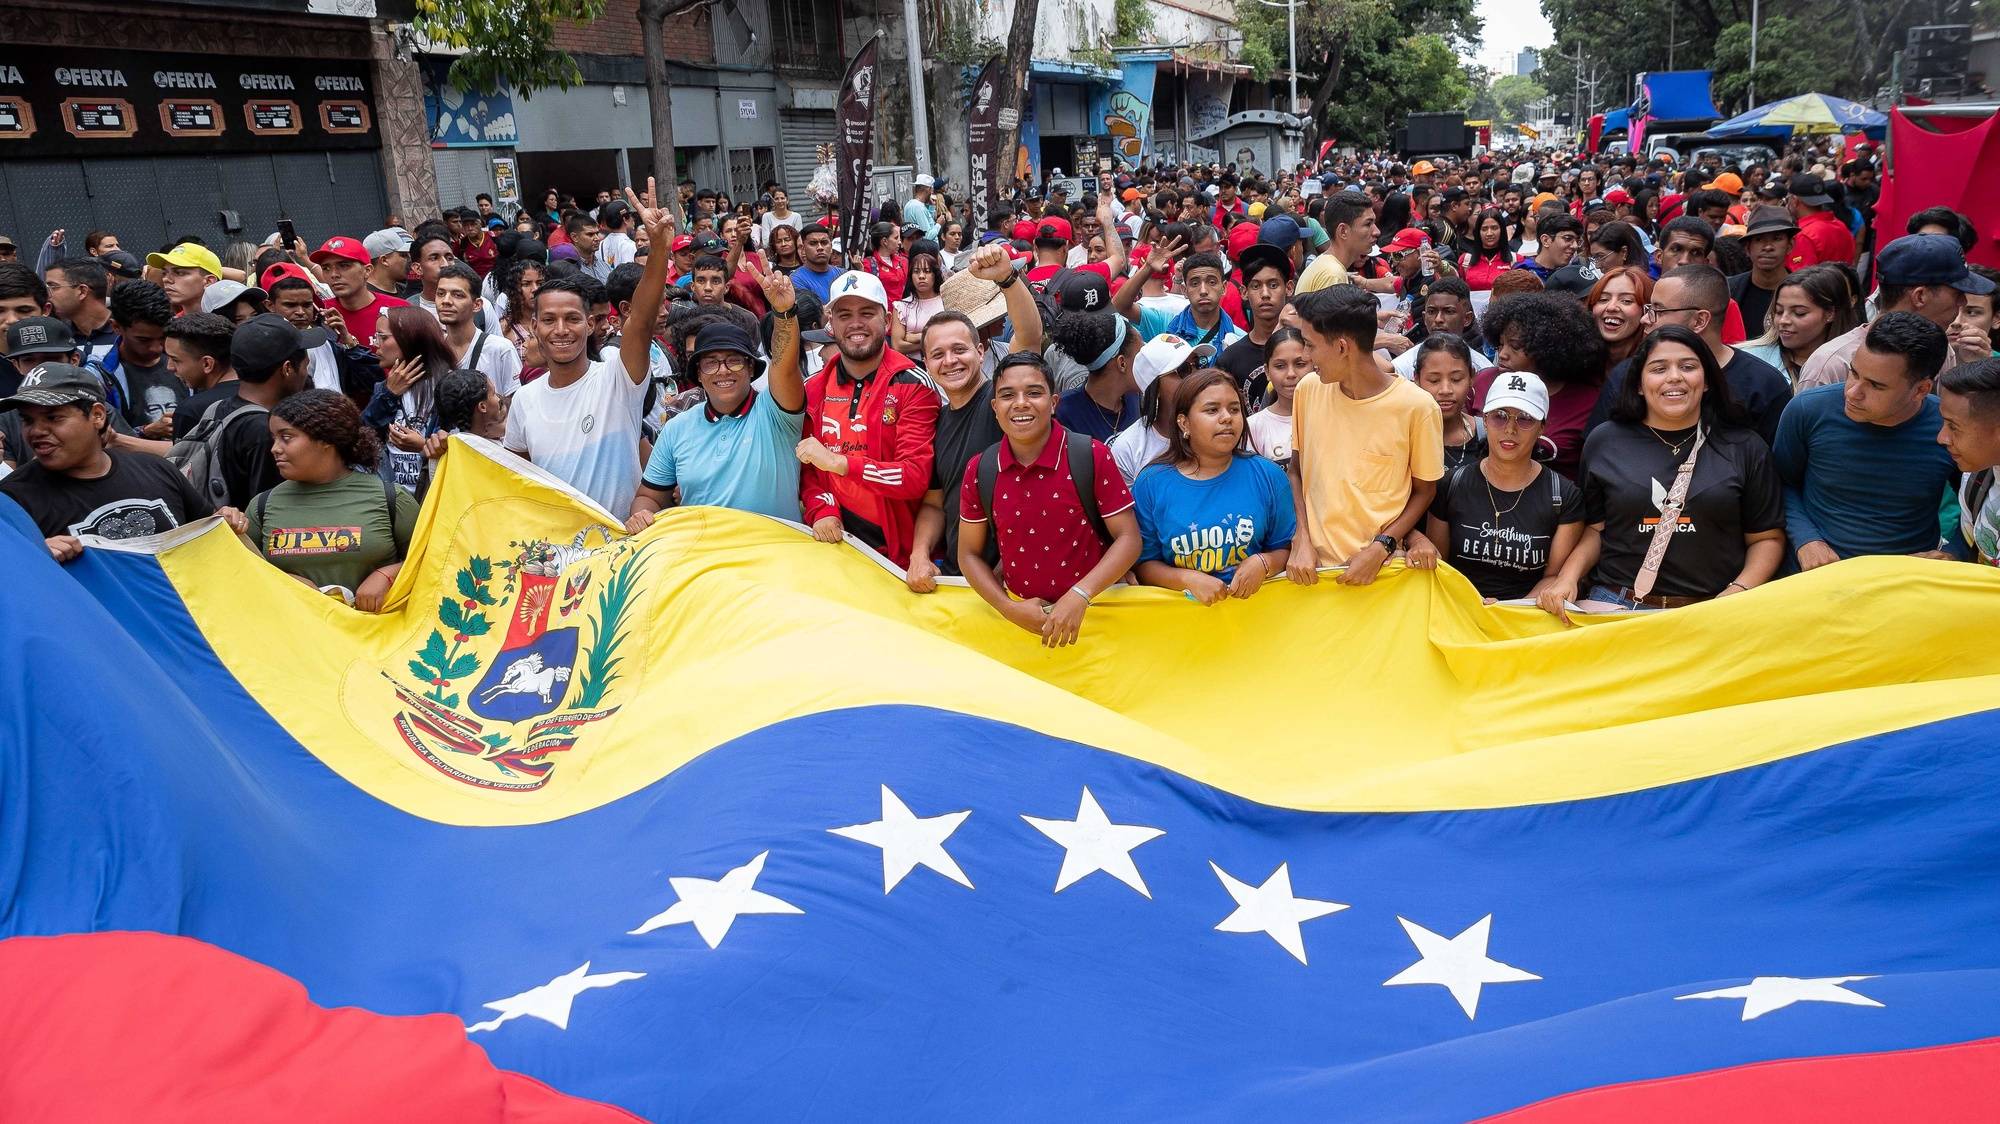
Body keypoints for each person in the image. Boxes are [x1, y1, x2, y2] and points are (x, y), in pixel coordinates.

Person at [1542, 325, 1785, 616]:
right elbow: (1595, 529)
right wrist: (1567, 578)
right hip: (1616, 607)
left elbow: (1766, 538)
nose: (1674, 377)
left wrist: (1735, 594)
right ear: (1639, 384)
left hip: (1711, 610)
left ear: (1706, 379)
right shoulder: (1605, 441)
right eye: (1658, 368)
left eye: (1688, 366)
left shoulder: (1745, 446)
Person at [505, 181, 675, 518]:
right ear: (534, 327)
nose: (561, 330)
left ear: (591, 323)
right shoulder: (524, 401)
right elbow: (517, 483)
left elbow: (640, 319)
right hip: (563, 557)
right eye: (549, 320)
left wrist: (658, 250)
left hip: (626, 549)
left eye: (572, 318)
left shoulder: (617, 379)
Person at [956, 352, 1140, 647]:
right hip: (1023, 628)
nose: (1021, 403)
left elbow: (1129, 539)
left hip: (1097, 621)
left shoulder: (1090, 455)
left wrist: (1080, 595)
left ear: (1054, 403)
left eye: (1034, 392)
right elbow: (967, 555)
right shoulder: (981, 469)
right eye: (1007, 395)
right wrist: (1009, 609)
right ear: (995, 407)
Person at [1285, 284, 1443, 587]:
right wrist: (1301, 538)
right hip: (1312, 574)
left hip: (1382, 575)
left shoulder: (1418, 407)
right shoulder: (1308, 390)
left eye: (1310, 345)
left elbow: (1425, 491)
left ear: (1343, 347)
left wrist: (1381, 546)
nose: (1305, 356)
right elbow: (1296, 470)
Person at [904, 246, 1043, 592]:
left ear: (980, 352)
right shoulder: (937, 422)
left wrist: (1007, 279)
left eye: (960, 349)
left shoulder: (1003, 401)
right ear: (927, 365)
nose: (950, 360)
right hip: (960, 581)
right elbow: (936, 504)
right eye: (938, 354)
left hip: (1020, 580)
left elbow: (1028, 338)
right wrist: (919, 555)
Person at [0, 363, 242, 560]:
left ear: (97, 415)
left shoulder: (156, 469)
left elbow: (208, 534)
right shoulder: (12, 500)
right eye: (27, 421)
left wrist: (228, 520)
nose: (37, 431)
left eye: (53, 418)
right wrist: (34, 558)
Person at [628, 261, 805, 528]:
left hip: (775, 560)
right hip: (704, 561)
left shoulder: (777, 413)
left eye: (734, 360)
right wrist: (642, 514)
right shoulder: (676, 429)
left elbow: (785, 367)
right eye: (711, 363)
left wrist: (783, 313)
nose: (723, 371)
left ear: (750, 367)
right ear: (698, 373)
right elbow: (649, 497)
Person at [1773, 312, 1958, 567]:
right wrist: (1806, 540)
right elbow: (1779, 483)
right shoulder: (1808, 410)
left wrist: (1953, 552)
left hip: (1906, 578)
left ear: (1921, 389)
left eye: (1876, 386)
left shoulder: (1948, 426)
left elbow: (1978, 504)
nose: (1853, 392)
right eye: (1854, 373)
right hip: (1815, 573)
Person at [795, 269, 941, 567]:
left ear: (887, 321)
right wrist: (823, 509)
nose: (856, 324)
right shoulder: (813, 388)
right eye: (844, 315)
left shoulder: (911, 383)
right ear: (831, 325)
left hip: (902, 557)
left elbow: (914, 477)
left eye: (867, 313)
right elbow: (810, 472)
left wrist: (841, 463)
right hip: (838, 549)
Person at [1410, 370, 1583, 602]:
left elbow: (1552, 577)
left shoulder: (1562, 495)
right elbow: (1441, 564)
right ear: (1484, 419)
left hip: (1522, 620)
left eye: (1525, 418)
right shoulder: (1452, 485)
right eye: (1500, 416)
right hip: (1457, 609)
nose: (1510, 429)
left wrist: (1507, 612)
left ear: (1542, 427)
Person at [245, 388, 417, 611]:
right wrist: (282, 581)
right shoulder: (262, 505)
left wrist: (388, 575)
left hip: (378, 637)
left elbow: (432, 559)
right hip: (293, 640)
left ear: (325, 439)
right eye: (274, 438)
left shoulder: (391, 498)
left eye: (286, 437)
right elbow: (241, 572)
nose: (275, 449)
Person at [1132, 369, 1295, 602]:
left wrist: (1264, 562)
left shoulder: (1268, 475)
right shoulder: (1151, 484)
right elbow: (1145, 564)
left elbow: (1287, 548)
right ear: (1184, 423)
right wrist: (1187, 579)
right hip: (1182, 624)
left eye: (1234, 409)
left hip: (1258, 619)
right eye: (1212, 410)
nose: (1226, 417)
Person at [1593, 265, 1789, 447]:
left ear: (1699, 321)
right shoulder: (1627, 375)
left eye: (1657, 311)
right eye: (1648, 309)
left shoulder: (1763, 385)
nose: (1645, 319)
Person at [1797, 234, 1994, 390]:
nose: (1963, 302)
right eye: (1957, 293)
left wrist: (1972, 372)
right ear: (1920, 296)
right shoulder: (1832, 364)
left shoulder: (1944, 352)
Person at [1476, 292, 1606, 480]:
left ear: (1547, 347)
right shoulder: (1483, 382)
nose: (1502, 354)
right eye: (1501, 344)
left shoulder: (1588, 401)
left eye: (1515, 345)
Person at [364, 307, 457, 494]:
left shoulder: (450, 386)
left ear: (410, 339)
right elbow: (364, 434)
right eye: (376, 337)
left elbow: (463, 448)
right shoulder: (384, 387)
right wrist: (388, 394)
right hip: (393, 498)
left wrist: (424, 445)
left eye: (383, 337)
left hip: (435, 494)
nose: (376, 345)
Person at [1738, 266, 1861, 385]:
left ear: (1830, 313)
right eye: (1779, 311)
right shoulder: (1746, 360)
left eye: (1799, 313)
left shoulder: (1857, 365)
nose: (1783, 320)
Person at [95, 280, 187, 440]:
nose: (156, 348)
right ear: (116, 327)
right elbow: (98, 437)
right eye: (144, 340)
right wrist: (145, 431)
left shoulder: (189, 361)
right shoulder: (100, 375)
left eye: (162, 338)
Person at [1109, 335, 1202, 482]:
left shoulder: (1218, 426)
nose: (1197, 376)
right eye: (1183, 370)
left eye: (1198, 364)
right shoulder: (1127, 448)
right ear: (1155, 389)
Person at [1937, 358, 2000, 565]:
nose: (1941, 438)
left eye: (1953, 427)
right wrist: (1951, 556)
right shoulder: (1977, 477)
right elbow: (1968, 540)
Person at [433, 262, 521, 402]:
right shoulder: (433, 352)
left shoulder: (500, 349)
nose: (446, 301)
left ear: (477, 305)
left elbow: (516, 406)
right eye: (441, 294)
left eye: (457, 295)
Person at [1050, 310, 1143, 441]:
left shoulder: (1134, 397)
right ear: (1122, 363)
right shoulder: (1063, 412)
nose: (1146, 362)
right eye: (1140, 355)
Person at [312, 236, 408, 351]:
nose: (334, 274)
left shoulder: (399, 310)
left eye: (344, 266)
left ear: (367, 271)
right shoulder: (320, 313)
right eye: (326, 268)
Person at [1412, 334, 1484, 471]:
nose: (1445, 390)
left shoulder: (1487, 435)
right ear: (1417, 380)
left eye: (1456, 379)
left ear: (1471, 377)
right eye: (1434, 380)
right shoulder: (1404, 437)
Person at [1730, 207, 1797, 337]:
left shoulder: (1805, 293)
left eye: (1777, 239)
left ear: (1790, 245)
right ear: (1748, 248)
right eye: (1759, 239)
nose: (1768, 247)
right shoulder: (1728, 290)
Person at [1247, 327, 1309, 464]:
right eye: (1280, 366)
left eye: (1300, 364)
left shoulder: (1332, 414)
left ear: (1314, 365)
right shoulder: (1254, 427)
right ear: (1267, 371)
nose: (1291, 374)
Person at [44, 258, 118, 364]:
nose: (48, 295)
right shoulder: (58, 337)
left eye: (53, 287)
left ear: (82, 291)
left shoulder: (125, 333)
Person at [1785, 174, 1857, 271]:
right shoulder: (1841, 226)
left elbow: (1800, 280)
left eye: (1788, 198)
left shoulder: (1804, 235)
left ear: (1794, 200)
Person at [1589, 266, 1652, 374]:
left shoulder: (1653, 367)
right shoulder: (1577, 366)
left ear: (1646, 310)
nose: (1611, 307)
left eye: (1626, 301)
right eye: (1603, 299)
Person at [890, 248, 945, 357]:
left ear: (935, 274)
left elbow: (950, 335)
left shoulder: (946, 302)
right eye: (916, 271)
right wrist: (930, 341)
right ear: (911, 276)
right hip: (913, 367)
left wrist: (917, 337)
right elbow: (897, 346)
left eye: (927, 271)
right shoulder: (901, 306)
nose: (921, 276)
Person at [146, 243, 222, 316]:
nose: (166, 279)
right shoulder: (169, 326)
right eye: (164, 273)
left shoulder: (230, 323)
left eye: (179, 273)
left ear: (209, 281)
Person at [1458, 209, 1514, 290]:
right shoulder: (1465, 261)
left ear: (1502, 230)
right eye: (1484, 229)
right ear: (1478, 232)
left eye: (1494, 228)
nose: (1489, 233)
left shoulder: (1515, 260)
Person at [792, 221, 842, 305]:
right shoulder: (796, 279)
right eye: (813, 243)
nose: (820, 248)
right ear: (803, 249)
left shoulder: (842, 274)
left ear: (831, 247)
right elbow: (811, 312)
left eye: (824, 243)